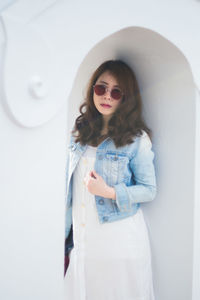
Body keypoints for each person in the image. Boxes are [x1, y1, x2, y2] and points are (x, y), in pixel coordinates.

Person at [64, 59, 157, 300]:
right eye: (101, 88)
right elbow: (70, 193)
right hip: (84, 244)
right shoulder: (80, 136)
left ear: (126, 98)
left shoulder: (136, 139)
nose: (107, 96)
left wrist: (109, 191)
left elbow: (149, 189)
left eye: (117, 92)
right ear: (92, 88)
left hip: (119, 244)